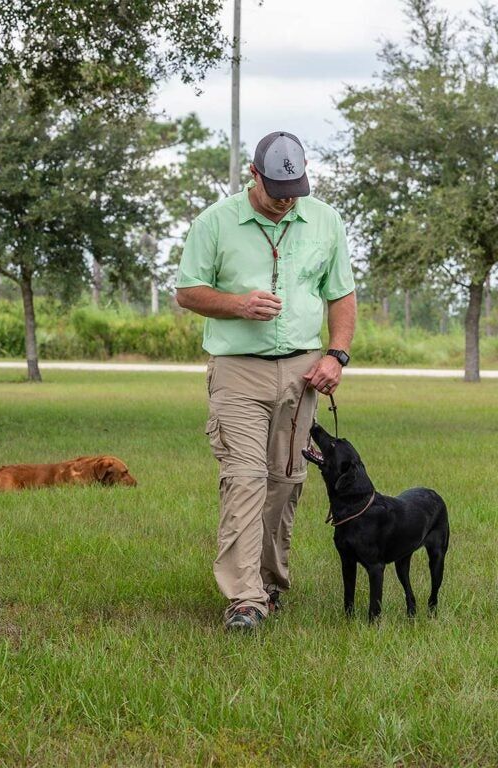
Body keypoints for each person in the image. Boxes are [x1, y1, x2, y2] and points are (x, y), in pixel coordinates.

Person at [175, 131, 356, 632]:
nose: (285, 201)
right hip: (238, 370)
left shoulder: (325, 220)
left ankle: (269, 583)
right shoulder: (214, 223)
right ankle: (245, 600)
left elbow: (341, 294)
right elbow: (187, 291)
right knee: (244, 478)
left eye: (294, 191)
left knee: (286, 480)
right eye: (277, 191)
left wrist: (336, 355)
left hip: (302, 372)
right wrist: (237, 305)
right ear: (254, 174)